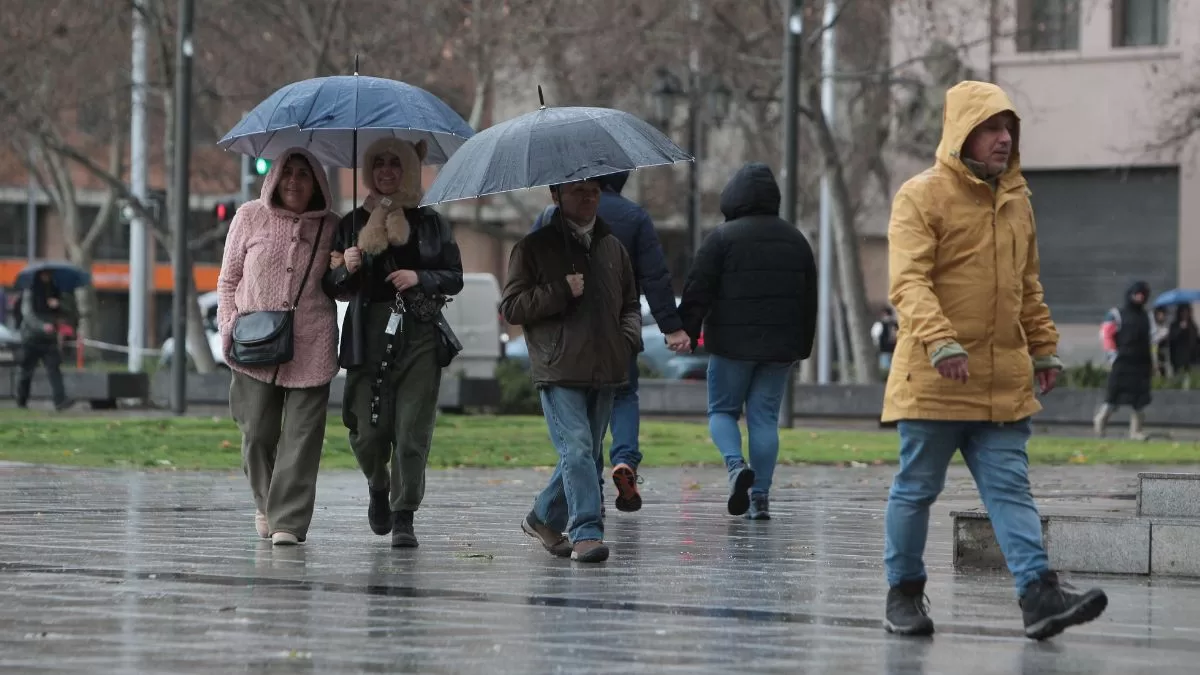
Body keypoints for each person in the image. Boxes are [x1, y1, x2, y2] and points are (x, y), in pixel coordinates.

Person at [881, 81, 1107, 640]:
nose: (1003, 138)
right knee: (917, 489)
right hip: (936, 377)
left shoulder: (1016, 201)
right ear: (962, 133)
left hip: (1002, 381)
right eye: (990, 128)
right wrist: (940, 342)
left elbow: (1027, 285)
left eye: (1008, 129)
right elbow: (908, 283)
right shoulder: (920, 195)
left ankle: (1038, 596)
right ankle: (904, 594)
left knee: (1010, 490)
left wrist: (1043, 346)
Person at [323, 138, 464, 548]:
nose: (387, 171)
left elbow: (454, 274)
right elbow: (329, 284)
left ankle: (404, 514)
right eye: (379, 163)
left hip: (418, 331)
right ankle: (378, 484)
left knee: (411, 429)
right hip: (367, 332)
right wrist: (345, 269)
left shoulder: (431, 222)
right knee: (366, 431)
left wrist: (421, 277)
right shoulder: (349, 225)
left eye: (396, 163)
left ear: (409, 169)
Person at [502, 177, 641, 563]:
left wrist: (627, 338)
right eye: (578, 189)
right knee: (578, 449)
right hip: (559, 367)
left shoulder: (613, 248)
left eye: (594, 189)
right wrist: (561, 290)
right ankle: (586, 533)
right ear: (556, 194)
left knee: (588, 455)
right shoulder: (532, 248)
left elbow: (631, 302)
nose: (588, 196)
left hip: (607, 366)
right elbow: (512, 307)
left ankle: (542, 517)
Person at [532, 172, 688, 513]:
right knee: (622, 395)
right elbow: (654, 275)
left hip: (566, 340)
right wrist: (670, 327)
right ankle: (625, 459)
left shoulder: (547, 220)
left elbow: (530, 275)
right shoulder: (634, 217)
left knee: (585, 420)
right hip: (615, 333)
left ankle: (593, 494)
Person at [676, 163, 817, 521]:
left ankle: (736, 466)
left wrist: (687, 331)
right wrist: (802, 345)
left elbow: (697, 290)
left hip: (731, 346)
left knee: (722, 411)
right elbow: (809, 298)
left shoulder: (722, 238)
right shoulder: (796, 239)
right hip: (779, 349)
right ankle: (761, 498)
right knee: (765, 419)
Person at [217, 148, 340, 547]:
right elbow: (227, 279)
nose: (294, 181)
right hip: (252, 342)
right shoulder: (249, 216)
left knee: (302, 438)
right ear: (273, 178)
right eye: (287, 172)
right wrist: (228, 327)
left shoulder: (333, 227)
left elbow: (343, 287)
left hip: (312, 341)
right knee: (256, 433)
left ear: (318, 183)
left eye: (304, 174)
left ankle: (287, 520)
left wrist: (346, 265)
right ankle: (267, 502)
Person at [1094, 281, 1155, 440]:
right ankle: (1100, 424)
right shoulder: (1116, 314)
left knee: (1140, 400)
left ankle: (1136, 432)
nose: (1140, 297)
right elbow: (1106, 335)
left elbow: (1149, 340)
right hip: (1122, 362)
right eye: (1137, 294)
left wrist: (1152, 364)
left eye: (1143, 294)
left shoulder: (1146, 316)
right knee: (1113, 397)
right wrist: (1112, 356)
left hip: (1141, 364)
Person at [15, 270, 71, 410]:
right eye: (44, 275)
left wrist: (57, 304)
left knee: (54, 369)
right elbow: (28, 315)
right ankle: (22, 400)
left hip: (49, 339)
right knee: (26, 371)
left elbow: (67, 310)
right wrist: (42, 326)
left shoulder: (55, 292)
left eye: (49, 275)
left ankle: (60, 400)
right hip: (31, 338)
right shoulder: (30, 292)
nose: (47, 278)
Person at [1167, 304, 1198, 375]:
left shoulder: (1192, 325)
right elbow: (1172, 339)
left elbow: (1194, 339)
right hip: (1178, 357)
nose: (1184, 314)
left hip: (1191, 357)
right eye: (1183, 312)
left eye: (1186, 312)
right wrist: (1180, 329)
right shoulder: (1174, 325)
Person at [871, 307, 899, 373]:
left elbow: (875, 337)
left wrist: (877, 347)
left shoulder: (880, 324)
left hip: (884, 350)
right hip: (895, 350)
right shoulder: (895, 324)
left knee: (886, 370)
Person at [1152, 306, 1170, 376]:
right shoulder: (1153, 326)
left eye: (1163, 314)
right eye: (1159, 314)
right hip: (1154, 350)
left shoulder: (1165, 326)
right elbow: (1153, 339)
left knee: (1165, 368)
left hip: (1164, 350)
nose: (1161, 316)